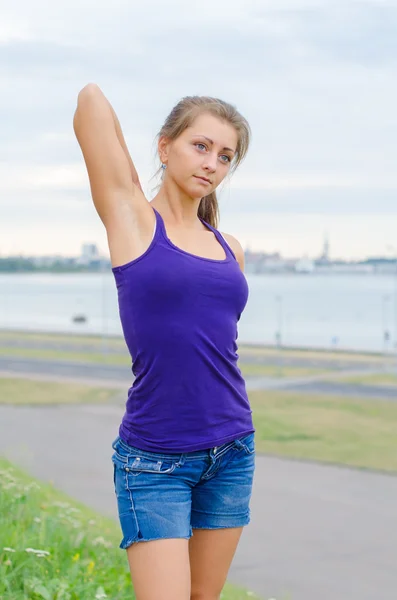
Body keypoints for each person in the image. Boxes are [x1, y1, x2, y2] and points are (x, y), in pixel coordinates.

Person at [73, 84, 256, 600]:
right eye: (200, 146)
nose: (213, 164)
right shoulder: (131, 220)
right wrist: (134, 180)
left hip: (233, 447)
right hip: (155, 461)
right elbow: (90, 102)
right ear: (165, 146)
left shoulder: (230, 248)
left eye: (225, 156)